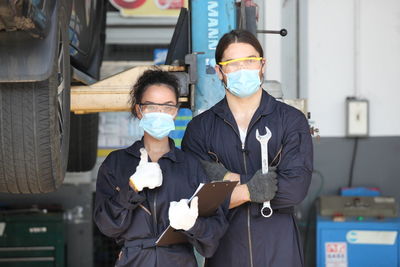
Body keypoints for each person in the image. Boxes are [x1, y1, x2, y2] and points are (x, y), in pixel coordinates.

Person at [182, 30, 313, 267]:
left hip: (280, 251)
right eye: (233, 64)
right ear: (220, 71)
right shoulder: (200, 129)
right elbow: (197, 201)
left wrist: (226, 180)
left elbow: (294, 190)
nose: (243, 70)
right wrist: (253, 189)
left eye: (250, 61)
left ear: (262, 65)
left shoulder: (291, 121)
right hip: (226, 252)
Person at [94, 69, 228, 267]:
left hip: (180, 260)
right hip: (134, 261)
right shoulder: (116, 163)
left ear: (175, 111)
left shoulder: (190, 166)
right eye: (152, 106)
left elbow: (214, 235)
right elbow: (107, 226)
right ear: (139, 110)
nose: (160, 113)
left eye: (167, 107)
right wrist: (132, 187)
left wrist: (192, 224)